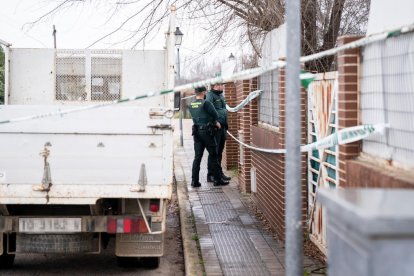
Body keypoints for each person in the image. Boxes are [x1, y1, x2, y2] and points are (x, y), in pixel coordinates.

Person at [189, 86, 230, 188]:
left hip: (196, 132)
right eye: (205, 92)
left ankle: (195, 181)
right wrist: (214, 122)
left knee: (197, 157)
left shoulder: (191, 104)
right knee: (214, 155)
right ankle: (217, 179)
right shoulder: (206, 103)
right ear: (203, 92)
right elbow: (215, 115)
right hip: (207, 132)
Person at [205, 83, 231, 183]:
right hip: (215, 128)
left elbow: (223, 110)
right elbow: (207, 110)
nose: (222, 86)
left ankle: (219, 173)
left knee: (219, 152)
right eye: (219, 84)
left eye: (222, 84)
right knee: (214, 153)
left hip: (223, 127)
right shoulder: (210, 95)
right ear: (214, 86)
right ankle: (210, 175)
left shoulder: (220, 95)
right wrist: (215, 122)